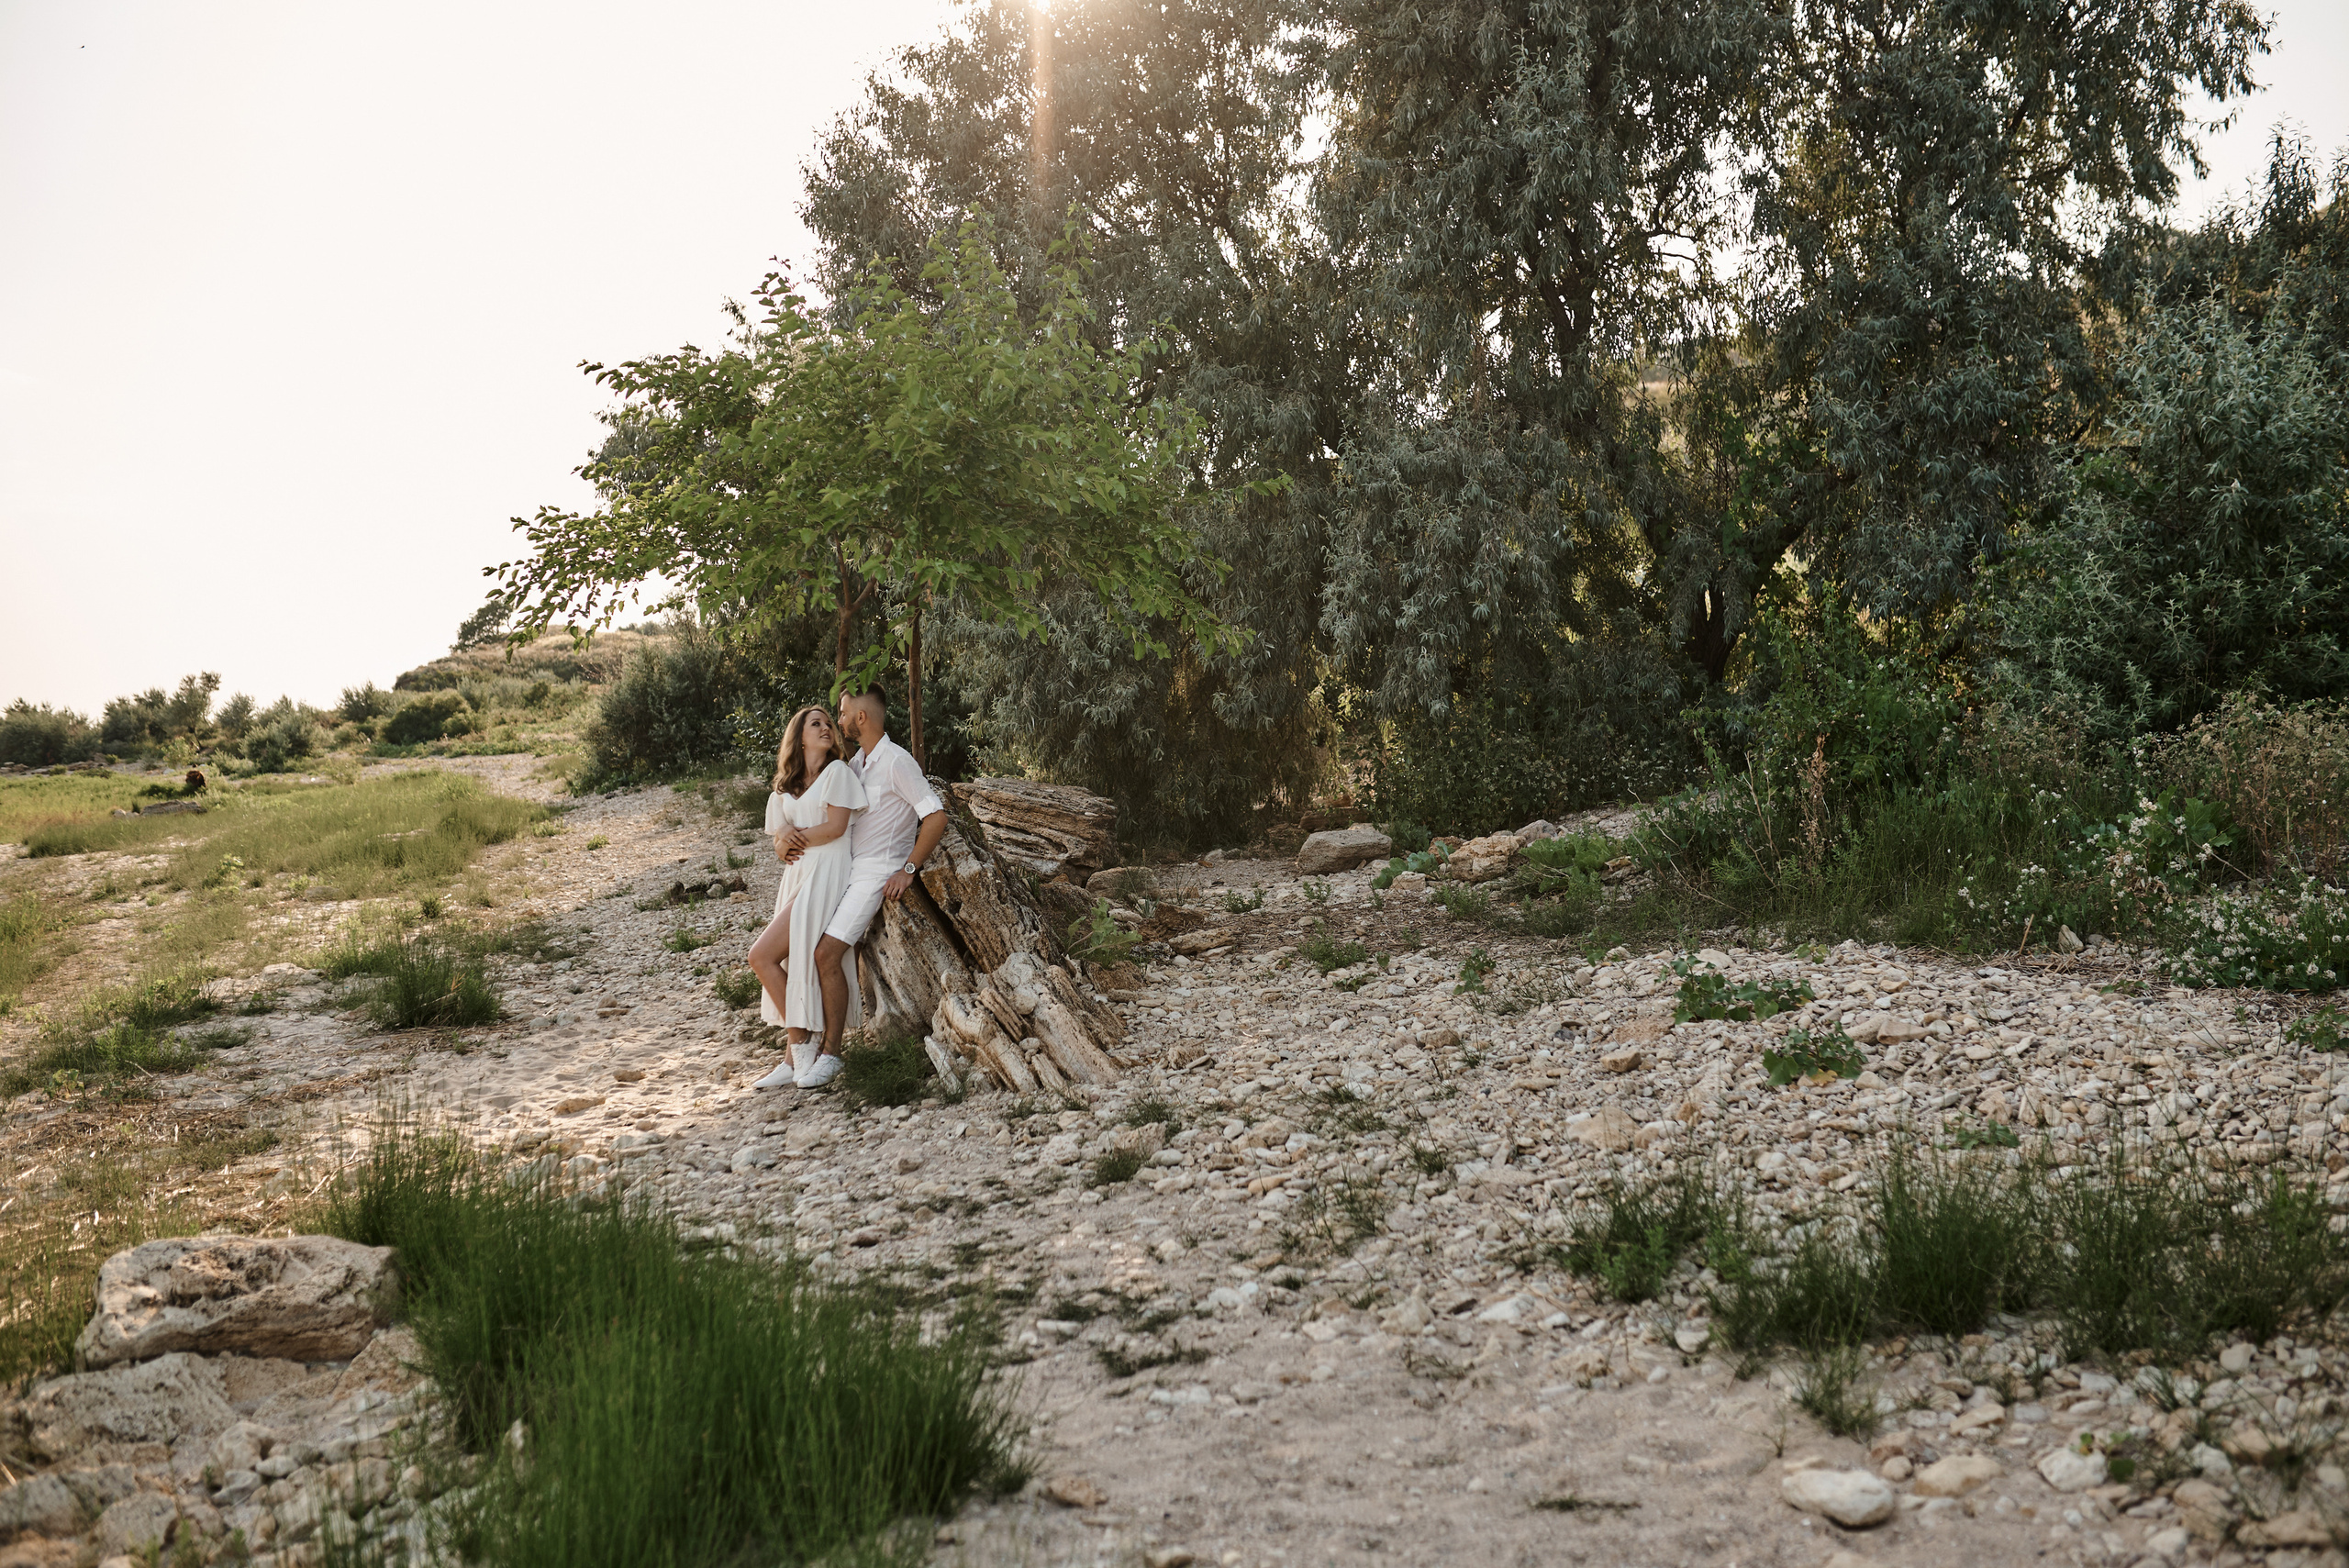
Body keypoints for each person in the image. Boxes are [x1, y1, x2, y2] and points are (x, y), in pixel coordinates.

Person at [778, 684, 945, 1085]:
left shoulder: (897, 762)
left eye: (842, 712)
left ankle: (833, 1053)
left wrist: (908, 868)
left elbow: (935, 816)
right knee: (802, 949)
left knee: (825, 954)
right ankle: (796, 1054)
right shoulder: (856, 765)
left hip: (874, 875)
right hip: (844, 873)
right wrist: (784, 831)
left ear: (861, 717)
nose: (839, 720)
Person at [745, 706, 866, 1092]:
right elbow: (779, 839)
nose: (827, 728)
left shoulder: (838, 774)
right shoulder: (785, 786)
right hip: (797, 875)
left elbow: (836, 827)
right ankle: (795, 1049)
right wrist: (784, 844)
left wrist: (793, 838)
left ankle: (806, 1045)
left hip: (828, 872)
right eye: (817, 724)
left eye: (829, 723)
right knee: (777, 959)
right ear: (799, 737)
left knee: (761, 955)